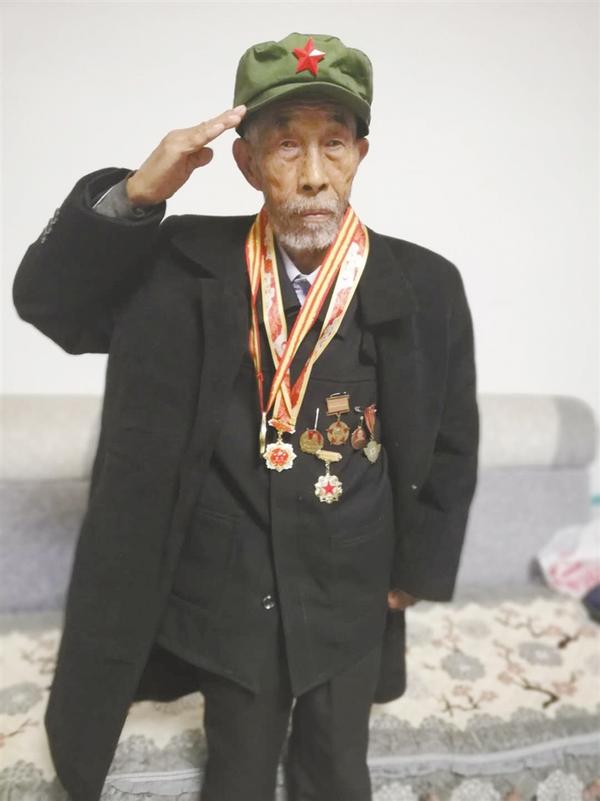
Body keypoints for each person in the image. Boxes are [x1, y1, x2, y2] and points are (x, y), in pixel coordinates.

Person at [12, 32, 479, 801]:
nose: (313, 175)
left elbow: (452, 442)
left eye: (334, 144)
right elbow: (49, 305)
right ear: (247, 163)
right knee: (238, 768)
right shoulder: (178, 262)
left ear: (361, 154)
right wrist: (138, 195)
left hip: (353, 584)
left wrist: (416, 570)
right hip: (228, 591)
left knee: (337, 769)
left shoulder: (428, 285)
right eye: (286, 146)